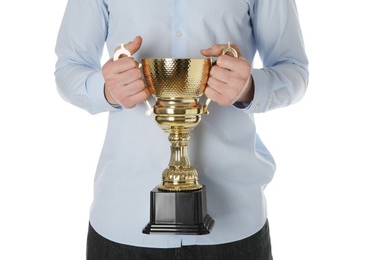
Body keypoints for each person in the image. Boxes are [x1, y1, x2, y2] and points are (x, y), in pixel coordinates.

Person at [55, 0, 308, 259]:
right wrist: (106, 90)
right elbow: (69, 67)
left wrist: (249, 88)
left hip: (234, 222)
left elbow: (294, 69)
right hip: (123, 218)